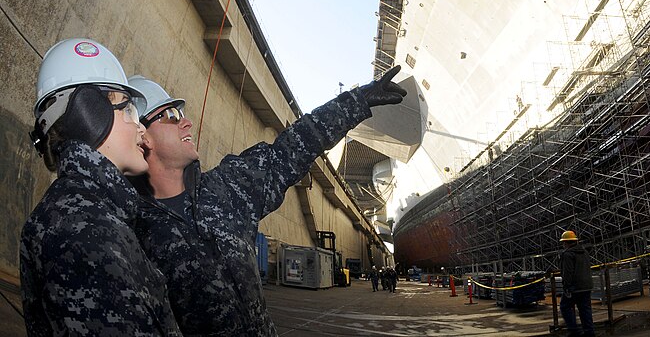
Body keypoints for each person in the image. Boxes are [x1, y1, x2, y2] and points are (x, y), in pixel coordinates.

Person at [128, 66, 407, 336]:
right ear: (142, 136)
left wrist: (356, 102)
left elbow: (292, 148)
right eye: (172, 115)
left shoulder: (226, 188)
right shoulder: (132, 232)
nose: (186, 121)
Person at [19, 38, 182, 336]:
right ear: (90, 114)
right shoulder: (84, 230)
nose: (141, 128)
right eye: (129, 111)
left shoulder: (90, 211)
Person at [559, 230, 594, 337]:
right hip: (586, 286)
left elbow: (567, 272)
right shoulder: (584, 252)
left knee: (564, 307)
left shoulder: (567, 254)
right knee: (585, 309)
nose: (563, 245)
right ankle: (589, 333)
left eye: (563, 243)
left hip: (574, 287)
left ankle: (574, 331)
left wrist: (566, 286)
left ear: (566, 242)